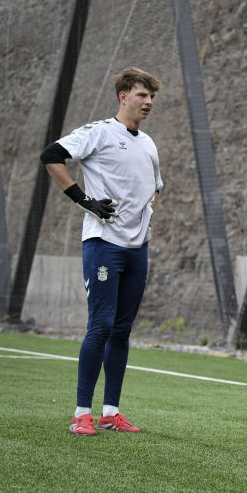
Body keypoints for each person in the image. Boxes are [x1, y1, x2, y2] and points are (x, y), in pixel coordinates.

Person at [40, 67, 163, 436]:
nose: (149, 102)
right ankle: (81, 414)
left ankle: (111, 412)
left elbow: (155, 188)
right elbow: (51, 156)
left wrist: (143, 217)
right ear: (123, 96)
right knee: (102, 325)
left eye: (152, 97)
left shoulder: (149, 143)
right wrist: (86, 201)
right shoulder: (98, 132)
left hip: (137, 249)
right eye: (142, 95)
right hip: (103, 246)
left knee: (122, 330)